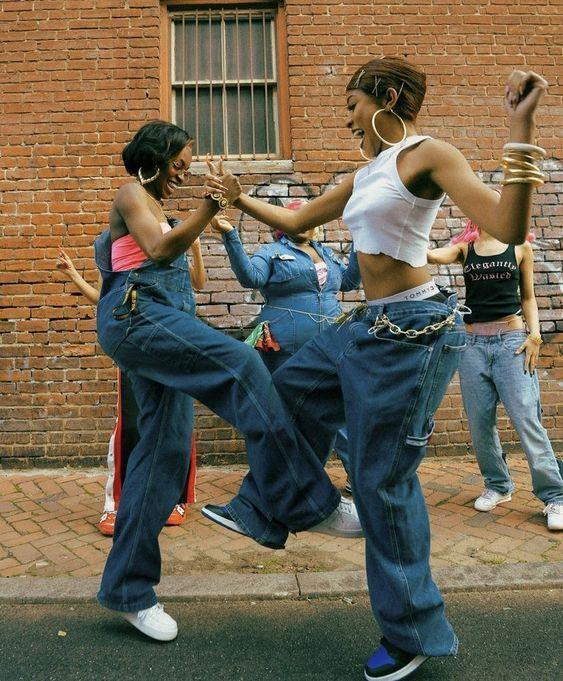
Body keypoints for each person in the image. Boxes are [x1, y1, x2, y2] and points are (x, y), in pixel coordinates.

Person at [201, 57, 548, 680]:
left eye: (353, 104)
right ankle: (280, 507)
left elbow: (507, 224)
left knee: (382, 480)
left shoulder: (428, 154)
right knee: (286, 394)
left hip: (415, 331)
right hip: (367, 322)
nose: (348, 117)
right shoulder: (365, 174)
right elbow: (297, 220)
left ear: (386, 97)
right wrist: (238, 198)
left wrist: (521, 126)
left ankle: (412, 631)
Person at [94, 120, 362, 643]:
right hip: (136, 319)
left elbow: (182, 267)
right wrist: (211, 207)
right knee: (243, 365)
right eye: (179, 164)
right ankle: (305, 500)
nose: (183, 173)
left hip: (160, 324)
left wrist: (207, 217)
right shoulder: (131, 195)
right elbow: (160, 250)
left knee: (166, 452)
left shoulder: (161, 208)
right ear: (156, 156)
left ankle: (128, 590)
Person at [56, 245, 205, 534]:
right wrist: (74, 275)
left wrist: (195, 248)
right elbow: (104, 300)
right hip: (135, 341)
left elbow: (198, 282)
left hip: (177, 340)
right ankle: (117, 503)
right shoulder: (114, 248)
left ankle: (175, 499)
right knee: (132, 423)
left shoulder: (170, 241)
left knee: (178, 422)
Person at [209, 202, 361, 479]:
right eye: (294, 218)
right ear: (282, 224)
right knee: (285, 409)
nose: (303, 223)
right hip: (283, 346)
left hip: (331, 341)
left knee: (334, 405)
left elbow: (349, 282)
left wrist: (361, 240)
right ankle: (282, 475)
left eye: (308, 218)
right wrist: (230, 234)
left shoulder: (326, 253)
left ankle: (356, 474)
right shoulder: (271, 251)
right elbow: (250, 278)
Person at [428, 220, 563, 531]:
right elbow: (433, 256)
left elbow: (528, 297)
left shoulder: (520, 247)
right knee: (479, 422)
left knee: (526, 419)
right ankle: (498, 485)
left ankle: (555, 496)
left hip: (511, 343)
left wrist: (535, 336)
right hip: (472, 344)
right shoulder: (466, 249)